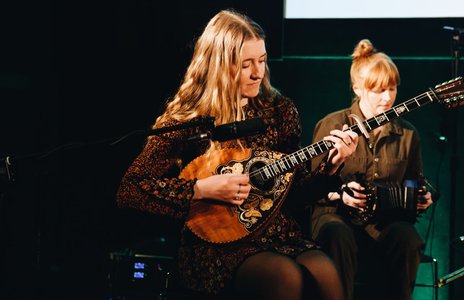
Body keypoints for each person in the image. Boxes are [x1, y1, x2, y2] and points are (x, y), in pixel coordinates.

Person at [117, 10, 359, 300]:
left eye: (262, 60)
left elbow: (292, 196)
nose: (258, 72)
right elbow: (130, 190)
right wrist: (201, 189)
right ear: (220, 66)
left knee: (327, 273)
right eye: (246, 65)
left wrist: (331, 167)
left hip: (275, 233)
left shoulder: (279, 111)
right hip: (215, 242)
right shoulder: (186, 121)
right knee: (284, 277)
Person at [310, 39, 433, 300]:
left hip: (383, 223)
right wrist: (340, 194)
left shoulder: (408, 133)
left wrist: (420, 196)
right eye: (378, 90)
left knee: (407, 238)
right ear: (358, 88)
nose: (388, 97)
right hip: (335, 214)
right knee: (336, 232)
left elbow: (413, 182)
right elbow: (310, 186)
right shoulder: (332, 124)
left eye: (392, 88)